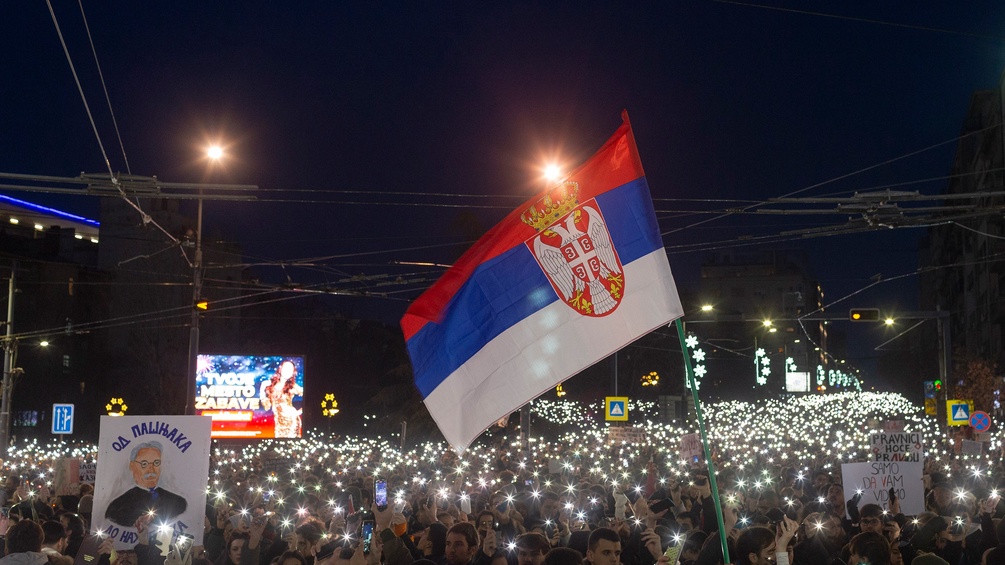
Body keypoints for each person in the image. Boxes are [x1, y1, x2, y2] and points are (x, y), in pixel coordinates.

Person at [104, 441, 187, 527]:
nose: (151, 469)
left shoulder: (178, 503)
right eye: (144, 464)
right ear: (132, 466)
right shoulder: (116, 508)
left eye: (156, 463)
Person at [259, 361, 303, 438]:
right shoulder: (270, 385)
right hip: (278, 423)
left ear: (293, 372)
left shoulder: (293, 386)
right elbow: (266, 407)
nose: (287, 370)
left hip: (292, 422)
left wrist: (297, 412)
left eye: (290, 369)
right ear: (280, 369)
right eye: (286, 368)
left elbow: (310, 398)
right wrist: (262, 388)